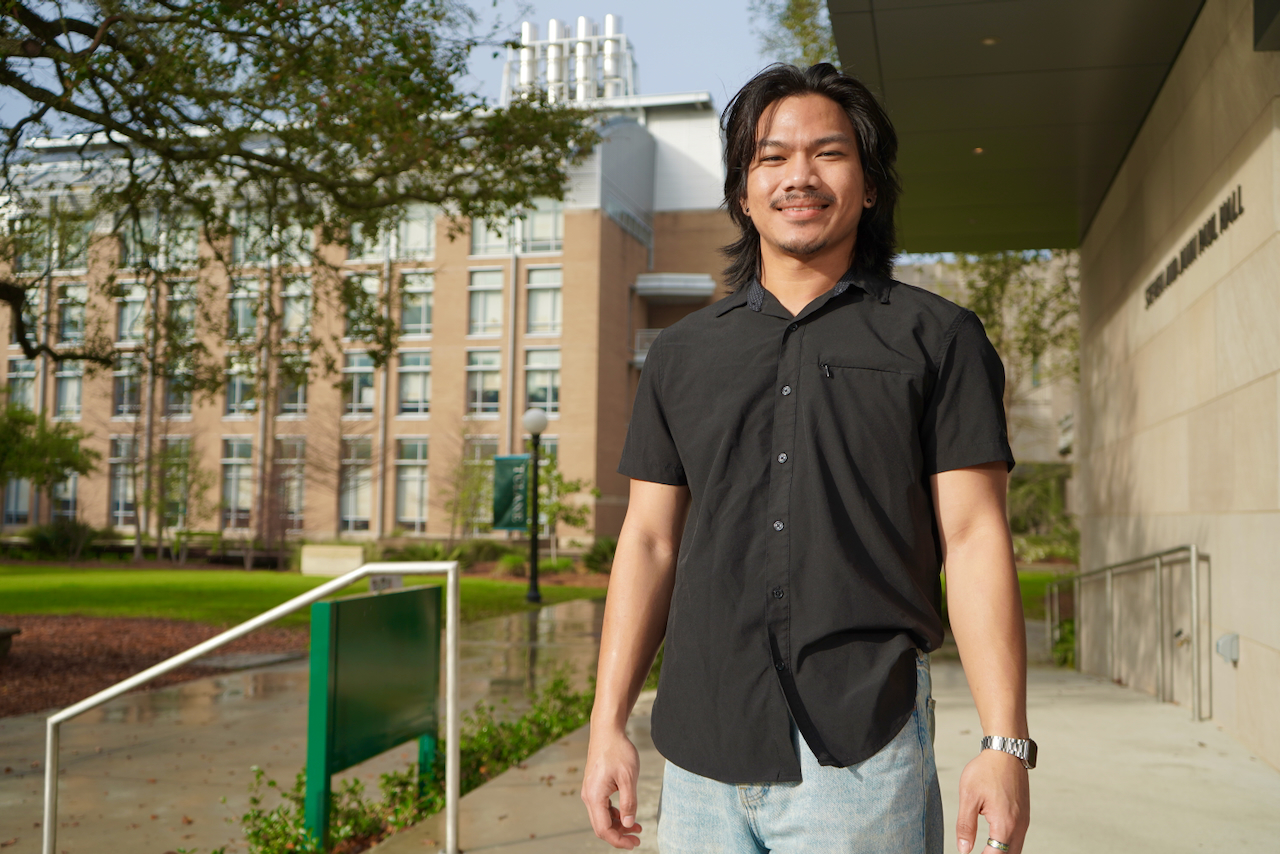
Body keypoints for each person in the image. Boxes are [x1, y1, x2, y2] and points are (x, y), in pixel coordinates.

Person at [581, 63, 1034, 854]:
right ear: (742, 192)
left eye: (828, 153)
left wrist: (1005, 745)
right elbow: (650, 540)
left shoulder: (939, 340)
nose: (800, 176)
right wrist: (606, 724)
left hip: (861, 756)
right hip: (699, 758)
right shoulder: (681, 355)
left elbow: (974, 539)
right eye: (771, 157)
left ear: (868, 186)